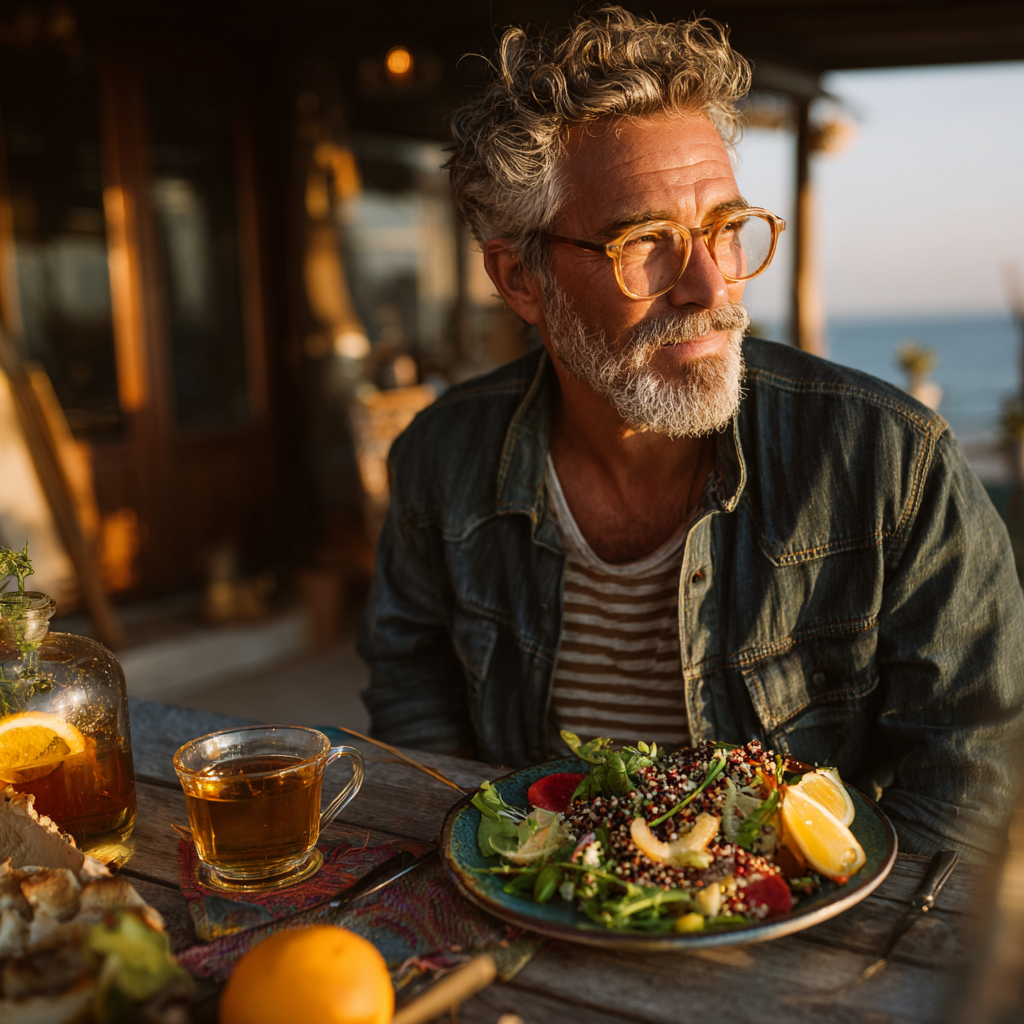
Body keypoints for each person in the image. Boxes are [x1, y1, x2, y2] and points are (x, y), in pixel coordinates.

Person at [358, 7, 1024, 862]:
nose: (710, 286)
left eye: (725, 229)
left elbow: (975, 773)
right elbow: (410, 684)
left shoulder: (892, 462)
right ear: (520, 277)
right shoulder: (441, 461)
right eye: (646, 242)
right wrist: (497, 863)